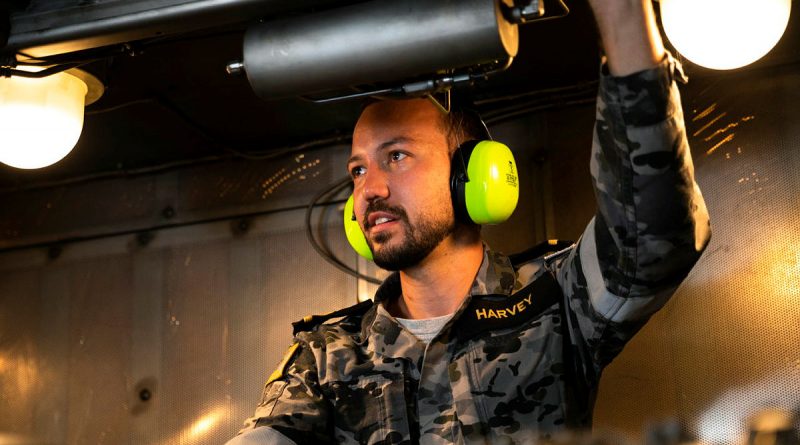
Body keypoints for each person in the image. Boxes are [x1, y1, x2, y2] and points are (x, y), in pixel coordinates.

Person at [228, 0, 711, 443]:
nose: (368, 189)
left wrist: (623, 13)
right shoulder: (326, 354)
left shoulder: (554, 294)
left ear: (474, 178)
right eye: (358, 169)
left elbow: (655, 235)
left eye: (396, 156)